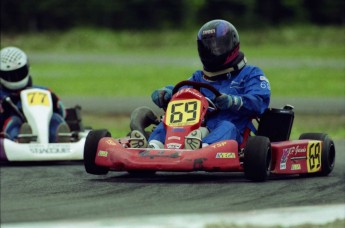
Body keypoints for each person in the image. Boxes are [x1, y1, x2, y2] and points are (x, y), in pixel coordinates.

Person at [129, 19, 271, 150]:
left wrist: (234, 101)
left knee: (227, 127)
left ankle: (203, 148)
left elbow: (260, 102)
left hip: (231, 131)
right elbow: (184, 91)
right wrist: (168, 93)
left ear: (232, 45)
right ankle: (152, 147)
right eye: (208, 47)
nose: (212, 51)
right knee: (167, 123)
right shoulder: (199, 77)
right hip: (193, 128)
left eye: (217, 46)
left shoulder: (250, 73)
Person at [0, 46, 70, 142]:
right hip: (9, 135)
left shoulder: (43, 91)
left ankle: (60, 139)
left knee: (55, 119)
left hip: (44, 130)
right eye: (10, 74)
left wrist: (55, 102)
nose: (16, 77)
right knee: (14, 121)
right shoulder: (1, 96)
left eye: (20, 72)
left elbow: (63, 113)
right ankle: (20, 139)